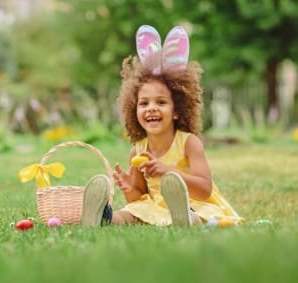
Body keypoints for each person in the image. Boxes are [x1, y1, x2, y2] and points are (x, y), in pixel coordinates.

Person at [81, 25, 243, 227]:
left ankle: (186, 217)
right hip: (157, 206)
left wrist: (167, 171)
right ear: (134, 110)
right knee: (131, 212)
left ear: (177, 110)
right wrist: (129, 187)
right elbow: (138, 198)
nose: (151, 108)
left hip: (194, 203)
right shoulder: (138, 151)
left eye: (161, 102)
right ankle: (104, 217)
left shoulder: (188, 143)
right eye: (144, 103)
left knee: (199, 214)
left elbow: (204, 189)